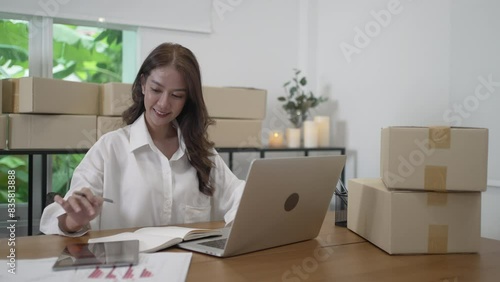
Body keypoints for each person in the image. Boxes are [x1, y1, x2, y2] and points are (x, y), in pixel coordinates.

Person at [40, 42, 245, 236]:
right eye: (156, 90)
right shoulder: (110, 148)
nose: (164, 104)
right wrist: (75, 219)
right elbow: (63, 218)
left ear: (188, 99)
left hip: (191, 266)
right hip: (128, 268)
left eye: (177, 95)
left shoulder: (201, 153)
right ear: (143, 85)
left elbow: (239, 195)